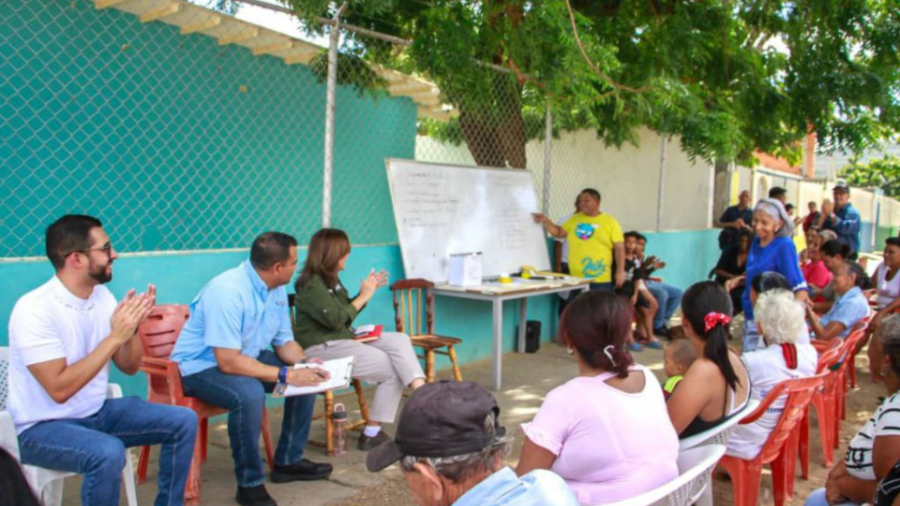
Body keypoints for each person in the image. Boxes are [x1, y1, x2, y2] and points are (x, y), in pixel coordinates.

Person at [7, 215, 197, 506]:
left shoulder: (102, 296)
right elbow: (59, 389)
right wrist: (114, 337)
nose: (115, 254)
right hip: (40, 429)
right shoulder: (34, 310)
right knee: (107, 452)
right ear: (76, 259)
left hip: (95, 413)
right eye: (106, 248)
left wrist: (131, 329)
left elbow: (129, 366)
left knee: (183, 420)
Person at [170, 232, 333, 506]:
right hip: (199, 368)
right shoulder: (227, 292)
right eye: (294, 262)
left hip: (244, 357)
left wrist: (304, 362)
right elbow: (228, 361)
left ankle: (288, 462)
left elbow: (284, 343)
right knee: (250, 393)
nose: (297, 267)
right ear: (277, 267)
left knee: (307, 377)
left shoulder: (276, 288)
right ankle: (249, 484)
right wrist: (286, 374)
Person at [516, 291, 679, 504]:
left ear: (569, 340)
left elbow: (525, 482)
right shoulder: (645, 375)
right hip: (662, 498)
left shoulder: (566, 400)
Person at [292, 228, 426, 451]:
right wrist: (363, 296)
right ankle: (372, 433)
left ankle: (423, 394)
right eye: (344, 253)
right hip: (322, 347)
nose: (347, 256)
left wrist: (365, 293)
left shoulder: (330, 280)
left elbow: (345, 314)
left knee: (400, 339)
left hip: (342, 338)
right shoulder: (310, 284)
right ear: (332, 254)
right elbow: (335, 320)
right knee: (393, 369)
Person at [365, 381, 579, 506]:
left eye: (407, 478)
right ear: (496, 454)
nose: (413, 497)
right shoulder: (550, 485)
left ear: (429, 478)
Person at [804, 315, 900, 506]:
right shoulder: (893, 403)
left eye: (872, 344)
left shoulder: (896, 411)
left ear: (886, 360)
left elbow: (888, 490)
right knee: (817, 499)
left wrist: (843, 486)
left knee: (817, 501)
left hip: (867, 499)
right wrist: (844, 468)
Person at [725, 289, 817, 459]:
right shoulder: (810, 354)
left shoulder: (752, 362)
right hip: (781, 432)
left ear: (760, 327)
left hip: (746, 439)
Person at [667, 281, 751, 438]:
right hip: (709, 448)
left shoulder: (704, 371)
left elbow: (662, 435)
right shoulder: (734, 359)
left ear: (684, 321)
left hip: (686, 451)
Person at [725, 199, 809, 352]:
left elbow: (799, 287)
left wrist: (789, 322)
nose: (757, 226)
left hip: (770, 324)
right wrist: (742, 280)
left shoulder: (784, 245)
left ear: (778, 224)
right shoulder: (757, 242)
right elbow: (762, 274)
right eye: (755, 220)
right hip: (751, 315)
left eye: (764, 222)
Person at [532, 189, 625, 291]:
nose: (582, 204)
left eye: (586, 201)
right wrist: (546, 221)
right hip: (576, 278)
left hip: (599, 279)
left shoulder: (610, 222)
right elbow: (558, 233)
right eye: (580, 201)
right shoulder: (574, 219)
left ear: (597, 202)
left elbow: (619, 248)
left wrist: (620, 271)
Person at [807, 260, 872, 344]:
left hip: (820, 346)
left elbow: (823, 336)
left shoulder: (852, 303)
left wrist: (808, 310)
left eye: (836, 275)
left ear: (851, 278)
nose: (832, 279)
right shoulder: (848, 297)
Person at [618, 231, 660, 351]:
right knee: (627, 314)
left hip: (633, 290)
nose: (631, 245)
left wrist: (635, 294)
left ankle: (649, 337)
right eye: (628, 242)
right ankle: (630, 341)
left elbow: (638, 277)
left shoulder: (636, 260)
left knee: (648, 309)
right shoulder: (619, 258)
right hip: (622, 291)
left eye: (634, 243)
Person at [635, 234, 684, 336]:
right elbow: (636, 277)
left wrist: (652, 267)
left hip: (648, 281)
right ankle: (656, 326)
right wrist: (643, 264)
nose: (641, 247)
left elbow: (643, 274)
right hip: (639, 284)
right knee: (662, 293)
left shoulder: (640, 256)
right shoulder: (629, 257)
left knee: (678, 292)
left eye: (643, 245)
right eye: (639, 244)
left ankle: (664, 322)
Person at [868, 238, 900, 380]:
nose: (886, 255)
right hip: (878, 309)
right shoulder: (881, 267)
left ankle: (880, 373)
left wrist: (882, 313)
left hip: (895, 313)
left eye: (891, 252)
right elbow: (871, 286)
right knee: (857, 328)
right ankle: (840, 361)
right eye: (885, 251)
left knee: (877, 342)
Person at [714, 229, 752, 314]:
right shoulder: (730, 252)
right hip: (725, 283)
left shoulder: (753, 255)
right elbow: (718, 271)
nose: (743, 244)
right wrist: (732, 277)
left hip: (742, 286)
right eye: (741, 241)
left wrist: (740, 279)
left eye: (746, 241)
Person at [812, 238, 854, 314]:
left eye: (826, 261)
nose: (824, 265)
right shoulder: (835, 275)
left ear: (838, 258)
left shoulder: (845, 278)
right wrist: (818, 291)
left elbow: (838, 304)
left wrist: (811, 306)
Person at [822, 181, 862, 258]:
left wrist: (831, 216)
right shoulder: (830, 211)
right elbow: (822, 231)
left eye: (841, 193)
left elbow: (845, 228)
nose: (838, 196)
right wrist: (823, 215)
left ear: (848, 196)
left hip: (847, 256)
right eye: (836, 193)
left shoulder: (853, 213)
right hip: (830, 256)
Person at [802, 229, 833, 293]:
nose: (810, 246)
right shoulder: (811, 263)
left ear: (824, 251)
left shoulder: (821, 267)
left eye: (815, 245)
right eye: (812, 243)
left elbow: (810, 294)